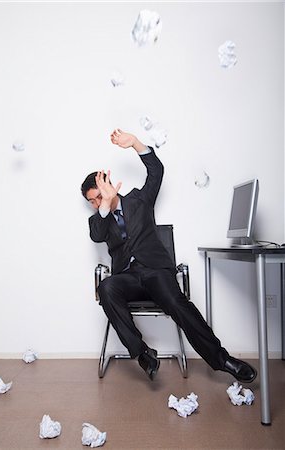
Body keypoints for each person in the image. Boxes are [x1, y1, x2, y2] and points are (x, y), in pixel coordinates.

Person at [81, 129, 257, 382]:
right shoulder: (98, 220)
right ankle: (142, 353)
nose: (98, 203)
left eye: (100, 196)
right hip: (127, 279)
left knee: (177, 303)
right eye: (93, 202)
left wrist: (136, 144)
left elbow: (156, 173)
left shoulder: (139, 200)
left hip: (156, 272)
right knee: (107, 287)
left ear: (109, 186)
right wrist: (105, 207)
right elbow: (97, 235)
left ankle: (222, 360)